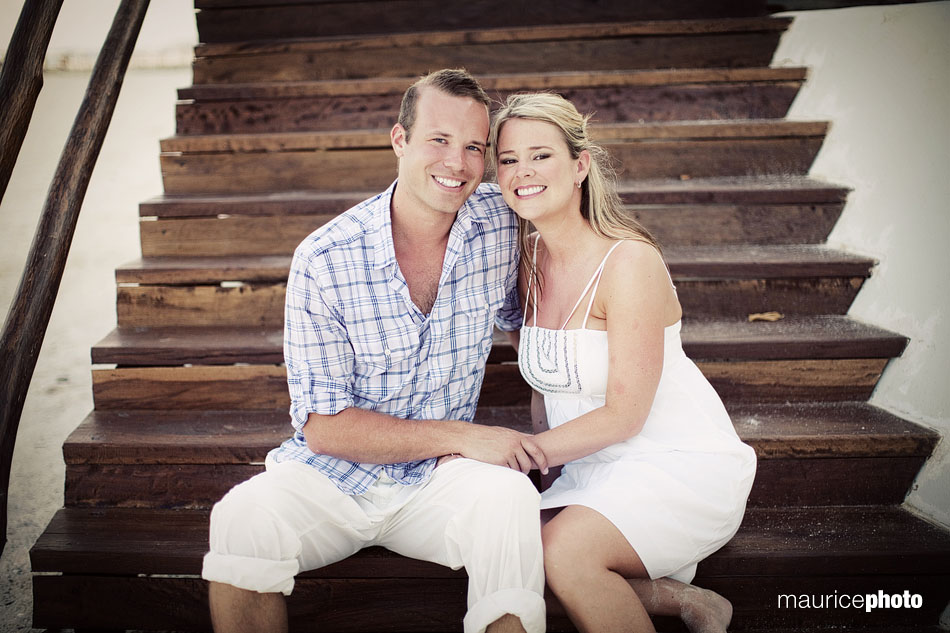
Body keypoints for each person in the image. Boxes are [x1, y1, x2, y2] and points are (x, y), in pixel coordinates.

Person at [200, 69, 549, 633]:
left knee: (509, 501)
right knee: (241, 516)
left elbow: (529, 325)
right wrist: (465, 436)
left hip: (440, 481)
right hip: (333, 478)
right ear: (399, 140)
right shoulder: (326, 258)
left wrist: (559, 428)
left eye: (474, 148)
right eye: (438, 140)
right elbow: (325, 429)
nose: (456, 164)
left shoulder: (499, 224)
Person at [489, 92, 757, 633]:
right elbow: (546, 385)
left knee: (562, 552)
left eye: (541, 155)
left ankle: (680, 600)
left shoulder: (630, 262)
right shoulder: (526, 260)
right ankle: (684, 601)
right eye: (509, 159)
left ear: (580, 165)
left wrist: (520, 455)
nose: (523, 172)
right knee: (495, 545)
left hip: (672, 463)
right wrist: (545, 470)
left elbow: (626, 415)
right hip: (589, 467)